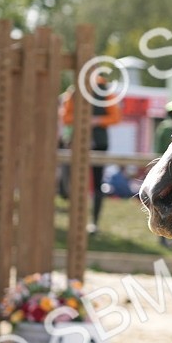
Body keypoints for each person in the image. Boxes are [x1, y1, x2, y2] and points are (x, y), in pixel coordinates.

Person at [61, 75, 122, 234]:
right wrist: (82, 119)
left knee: (97, 183)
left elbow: (116, 117)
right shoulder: (74, 92)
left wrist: (96, 120)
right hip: (76, 142)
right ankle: (75, 220)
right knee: (72, 183)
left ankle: (94, 222)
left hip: (99, 143)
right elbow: (66, 117)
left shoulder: (104, 91)